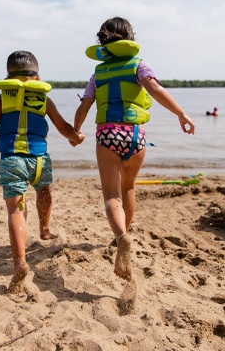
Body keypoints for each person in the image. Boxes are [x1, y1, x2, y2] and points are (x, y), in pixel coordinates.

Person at [73, 17, 195, 310]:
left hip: (108, 136)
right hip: (136, 137)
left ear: (104, 44)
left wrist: (76, 131)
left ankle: (121, 238)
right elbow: (155, 90)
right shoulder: (140, 65)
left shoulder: (97, 74)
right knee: (129, 187)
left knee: (111, 196)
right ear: (130, 39)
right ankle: (124, 234)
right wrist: (182, 114)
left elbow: (86, 105)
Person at [0, 50, 85, 294]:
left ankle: (19, 263)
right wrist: (76, 138)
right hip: (39, 161)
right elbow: (65, 128)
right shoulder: (44, 100)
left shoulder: (2, 100)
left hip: (12, 161)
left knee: (16, 211)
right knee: (44, 191)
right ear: (38, 78)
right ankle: (45, 230)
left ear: (8, 78)